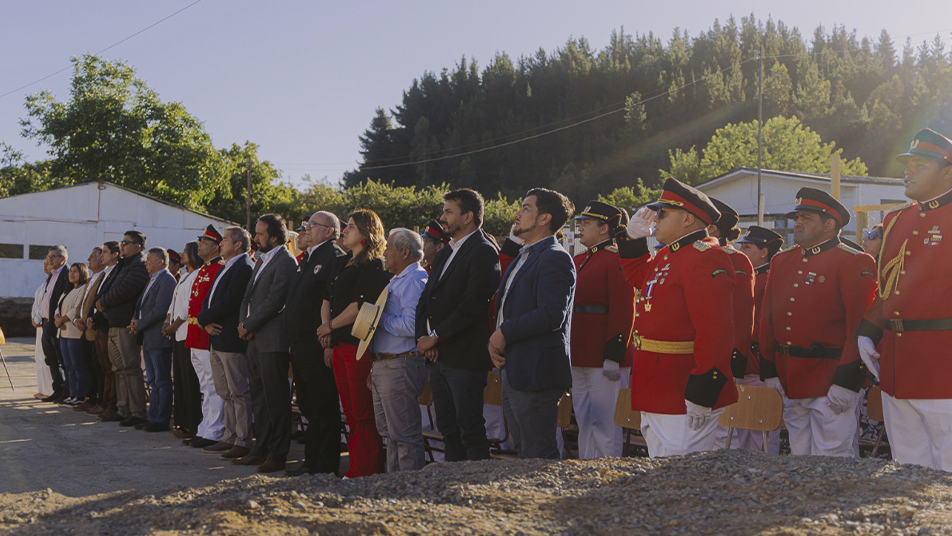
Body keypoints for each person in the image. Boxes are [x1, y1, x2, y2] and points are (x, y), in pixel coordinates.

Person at [618, 178, 739, 457]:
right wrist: (634, 239)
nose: (655, 219)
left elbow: (716, 330)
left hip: (683, 389)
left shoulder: (706, 256)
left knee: (682, 479)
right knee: (661, 477)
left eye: (662, 213)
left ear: (687, 219)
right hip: (656, 385)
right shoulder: (669, 255)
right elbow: (640, 278)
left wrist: (703, 389)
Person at [857, 128, 952, 470]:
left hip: (944, 366)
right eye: (907, 164)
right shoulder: (896, 219)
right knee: (906, 471)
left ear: (947, 172)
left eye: (920, 165)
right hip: (897, 365)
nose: (907, 172)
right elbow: (889, 287)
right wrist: (868, 330)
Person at [759, 187, 877, 457]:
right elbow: (768, 321)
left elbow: (859, 329)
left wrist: (848, 380)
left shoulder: (853, 261)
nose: (797, 223)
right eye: (796, 217)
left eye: (807, 218)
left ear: (830, 224)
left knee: (834, 457)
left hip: (831, 379)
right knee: (800, 456)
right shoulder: (782, 261)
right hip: (791, 378)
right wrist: (770, 371)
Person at [415, 189, 502, 462]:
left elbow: (472, 306)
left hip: (464, 358)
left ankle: (475, 490)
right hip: (438, 357)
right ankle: (450, 490)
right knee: (448, 429)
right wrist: (424, 339)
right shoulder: (444, 253)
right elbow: (425, 300)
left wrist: (435, 337)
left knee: (470, 430)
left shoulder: (484, 252)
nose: (443, 217)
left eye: (449, 212)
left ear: (468, 216)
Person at [490, 188, 576, 459]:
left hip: (536, 372)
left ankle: (548, 502)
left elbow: (552, 314)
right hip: (514, 367)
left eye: (526, 208)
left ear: (544, 218)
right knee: (522, 452)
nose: (517, 213)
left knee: (538, 455)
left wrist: (504, 332)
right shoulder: (523, 256)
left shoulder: (555, 257)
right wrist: (496, 341)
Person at [318, 209, 391, 477]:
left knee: (362, 413)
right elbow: (328, 298)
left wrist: (329, 326)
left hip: (357, 346)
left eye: (350, 226)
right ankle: (357, 467)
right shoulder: (344, 262)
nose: (345, 230)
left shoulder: (373, 265)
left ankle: (366, 470)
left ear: (366, 233)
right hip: (338, 344)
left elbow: (361, 306)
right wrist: (327, 333)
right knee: (349, 412)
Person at [570, 200, 635, 459]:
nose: (581, 228)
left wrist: (614, 354)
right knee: (585, 421)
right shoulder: (579, 259)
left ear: (604, 228)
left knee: (606, 425)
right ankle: (588, 468)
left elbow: (623, 310)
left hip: (603, 356)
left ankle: (607, 471)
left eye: (586, 223)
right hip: (579, 353)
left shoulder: (616, 258)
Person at [285, 210, 346, 477]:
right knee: (308, 405)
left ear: (329, 231)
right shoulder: (307, 258)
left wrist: (329, 342)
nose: (306, 229)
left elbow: (332, 301)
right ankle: (311, 461)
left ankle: (326, 463)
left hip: (317, 342)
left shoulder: (333, 257)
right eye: (307, 225)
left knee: (323, 405)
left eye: (312, 225)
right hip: (299, 343)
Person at [235, 214, 297, 473]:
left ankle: (278, 453)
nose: (255, 237)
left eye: (260, 234)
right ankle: (260, 447)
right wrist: (244, 324)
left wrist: (248, 325)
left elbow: (275, 301)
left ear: (274, 237)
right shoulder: (262, 259)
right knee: (259, 398)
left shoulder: (286, 261)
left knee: (276, 399)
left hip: (272, 340)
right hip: (254, 339)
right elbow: (248, 297)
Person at [370, 228, 429, 472]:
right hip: (387, 364)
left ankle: (410, 488)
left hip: (400, 363)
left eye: (389, 248)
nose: (384, 252)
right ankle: (394, 485)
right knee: (391, 434)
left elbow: (412, 326)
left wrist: (377, 319)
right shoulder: (399, 279)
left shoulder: (414, 280)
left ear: (405, 252)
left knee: (403, 434)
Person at [197, 227, 255, 459]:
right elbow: (209, 299)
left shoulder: (243, 267)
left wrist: (203, 319)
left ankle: (242, 439)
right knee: (224, 391)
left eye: (225, 239)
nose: (221, 243)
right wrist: (205, 322)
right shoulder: (226, 265)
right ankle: (229, 436)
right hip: (216, 336)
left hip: (231, 338)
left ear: (239, 245)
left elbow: (230, 302)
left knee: (238, 392)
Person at [733, 225, 784, 452]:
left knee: (761, 429)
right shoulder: (747, 275)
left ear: (764, 252)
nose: (742, 250)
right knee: (740, 426)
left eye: (748, 246)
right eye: (742, 246)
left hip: (759, 362)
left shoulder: (772, 278)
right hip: (742, 361)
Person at [97, 231, 150, 427]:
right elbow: (109, 288)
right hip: (113, 322)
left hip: (126, 324)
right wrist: (100, 301)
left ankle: (137, 411)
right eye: (122, 242)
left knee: (130, 368)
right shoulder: (123, 266)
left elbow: (124, 291)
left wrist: (103, 302)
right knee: (118, 368)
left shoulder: (139, 266)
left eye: (126, 243)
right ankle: (123, 409)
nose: (122, 246)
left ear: (137, 246)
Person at [183, 225, 226, 449]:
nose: (199, 244)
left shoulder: (220, 267)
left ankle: (215, 430)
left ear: (216, 246)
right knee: (204, 385)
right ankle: (206, 427)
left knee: (212, 385)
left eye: (204, 241)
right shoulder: (204, 269)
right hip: (195, 334)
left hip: (206, 334)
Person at [131, 247, 177, 432]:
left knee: (161, 380)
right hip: (148, 337)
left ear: (160, 262)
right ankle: (153, 417)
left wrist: (140, 323)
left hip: (158, 337)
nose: (146, 262)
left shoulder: (166, 280)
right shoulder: (152, 279)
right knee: (152, 380)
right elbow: (141, 304)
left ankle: (161, 419)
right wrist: (135, 320)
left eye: (149, 259)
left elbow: (160, 309)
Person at [163, 241, 203, 439]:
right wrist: (167, 319)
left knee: (190, 381)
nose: (182, 254)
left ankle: (192, 423)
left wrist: (175, 323)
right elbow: (174, 301)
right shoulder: (185, 276)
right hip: (177, 332)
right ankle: (182, 419)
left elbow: (188, 306)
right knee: (179, 379)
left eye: (185, 252)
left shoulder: (197, 274)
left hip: (186, 330)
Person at [87, 242, 120, 420]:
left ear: (115, 255)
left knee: (110, 368)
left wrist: (96, 317)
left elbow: (107, 300)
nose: (102, 256)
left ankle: (111, 404)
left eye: (105, 253)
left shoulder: (116, 272)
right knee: (104, 367)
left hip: (106, 324)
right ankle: (104, 402)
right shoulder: (106, 273)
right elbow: (97, 298)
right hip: (99, 325)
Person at [72, 247, 106, 411]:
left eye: (92, 257)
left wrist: (85, 319)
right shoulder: (91, 279)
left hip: (93, 328)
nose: (88, 259)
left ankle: (99, 399)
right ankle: (90, 397)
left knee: (97, 365)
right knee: (87, 364)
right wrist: (77, 318)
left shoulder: (104, 278)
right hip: (84, 328)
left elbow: (95, 303)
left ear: (102, 259)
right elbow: (82, 302)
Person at [53, 263, 90, 405]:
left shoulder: (82, 289)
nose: (72, 274)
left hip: (74, 333)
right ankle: (72, 393)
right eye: (71, 272)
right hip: (63, 332)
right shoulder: (67, 291)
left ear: (82, 274)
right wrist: (57, 319)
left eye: (75, 272)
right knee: (68, 366)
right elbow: (58, 308)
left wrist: (61, 319)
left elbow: (76, 309)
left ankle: (80, 395)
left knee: (78, 365)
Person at [40, 246, 70, 403]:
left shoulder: (67, 274)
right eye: (49, 256)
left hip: (57, 324)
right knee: (51, 359)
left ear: (63, 259)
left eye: (53, 256)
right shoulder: (52, 275)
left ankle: (67, 391)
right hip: (46, 323)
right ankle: (57, 389)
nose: (50, 259)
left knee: (61, 359)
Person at [31, 258, 55, 399]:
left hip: (44, 323)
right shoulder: (43, 284)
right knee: (38, 358)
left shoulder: (53, 284)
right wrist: (33, 318)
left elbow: (47, 304)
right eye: (44, 263)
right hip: (38, 325)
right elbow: (36, 304)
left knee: (47, 358)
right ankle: (42, 388)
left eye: (48, 263)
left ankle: (50, 389)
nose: (45, 265)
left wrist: (38, 318)